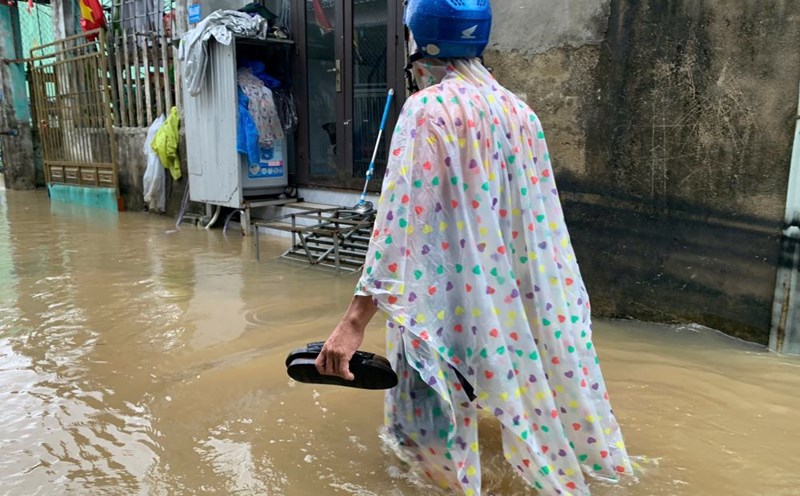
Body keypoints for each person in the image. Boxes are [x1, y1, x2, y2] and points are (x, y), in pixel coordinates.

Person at [315, 0, 633, 493]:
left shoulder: (427, 110)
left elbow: (399, 220)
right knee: (498, 395)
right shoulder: (520, 113)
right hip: (508, 300)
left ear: (419, 44)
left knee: (421, 440)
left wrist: (354, 322)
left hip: (439, 300)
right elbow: (536, 217)